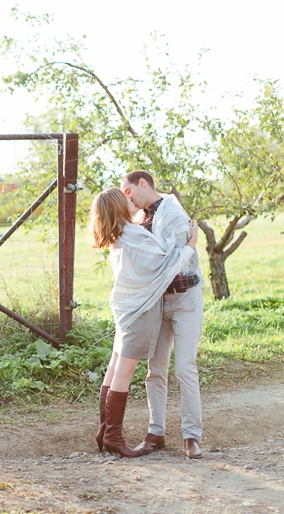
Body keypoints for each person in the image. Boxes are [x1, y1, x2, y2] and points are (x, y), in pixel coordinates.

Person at [89, 187, 198, 458]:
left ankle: (105, 431)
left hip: (126, 309)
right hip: (138, 313)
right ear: (118, 206)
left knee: (114, 369)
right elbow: (165, 261)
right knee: (123, 374)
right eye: (125, 198)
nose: (131, 198)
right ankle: (113, 436)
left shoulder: (121, 234)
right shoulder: (133, 234)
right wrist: (190, 245)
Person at [120, 170, 205, 459]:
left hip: (185, 299)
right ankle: (155, 433)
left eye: (129, 191)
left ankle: (191, 436)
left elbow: (171, 262)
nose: (127, 197)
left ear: (143, 184)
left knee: (184, 367)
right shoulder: (141, 219)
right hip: (157, 302)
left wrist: (190, 245)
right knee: (154, 370)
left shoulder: (172, 213)